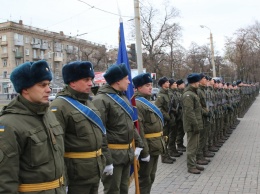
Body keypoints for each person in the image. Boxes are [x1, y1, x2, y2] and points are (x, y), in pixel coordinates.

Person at [0, 60, 66, 193]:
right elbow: (5, 179)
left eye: (48, 84)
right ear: (25, 89)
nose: (48, 89)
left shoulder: (48, 115)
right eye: (42, 85)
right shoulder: (9, 124)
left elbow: (59, 158)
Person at [50, 61, 110, 194]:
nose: (91, 83)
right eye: (86, 79)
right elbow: (57, 148)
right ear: (72, 82)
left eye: (91, 79)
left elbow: (101, 135)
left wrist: (106, 160)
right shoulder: (59, 106)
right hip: (76, 175)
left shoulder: (89, 103)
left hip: (94, 170)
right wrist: (63, 179)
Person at [92, 63, 143, 194]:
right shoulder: (101, 100)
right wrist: (107, 160)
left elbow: (129, 123)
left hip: (126, 154)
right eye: (126, 78)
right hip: (113, 155)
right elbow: (99, 132)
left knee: (124, 189)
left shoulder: (123, 97)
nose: (129, 81)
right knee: (113, 190)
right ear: (118, 80)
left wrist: (138, 143)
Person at [132, 73, 165, 194]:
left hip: (154, 146)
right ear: (139, 87)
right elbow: (139, 131)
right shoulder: (137, 104)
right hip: (147, 147)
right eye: (147, 85)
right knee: (144, 179)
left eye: (151, 85)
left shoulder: (148, 102)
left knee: (150, 177)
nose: (151, 87)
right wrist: (144, 152)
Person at [182, 73, 204, 174]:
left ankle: (194, 163)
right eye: (198, 82)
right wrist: (195, 125)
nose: (199, 83)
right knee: (191, 146)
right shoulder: (188, 95)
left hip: (196, 123)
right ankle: (191, 166)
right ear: (194, 83)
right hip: (192, 125)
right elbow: (189, 112)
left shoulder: (193, 93)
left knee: (195, 145)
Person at [155, 76, 176, 164]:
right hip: (165, 120)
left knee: (168, 137)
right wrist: (167, 116)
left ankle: (167, 155)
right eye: (167, 82)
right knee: (164, 139)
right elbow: (158, 108)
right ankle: (164, 157)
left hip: (170, 118)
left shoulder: (168, 93)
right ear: (163, 84)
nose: (168, 83)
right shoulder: (160, 95)